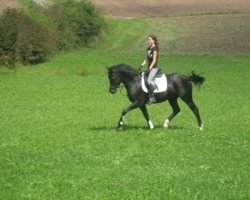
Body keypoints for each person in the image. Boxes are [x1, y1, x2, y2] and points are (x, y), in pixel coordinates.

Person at [139, 35, 159, 103]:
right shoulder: (148, 49)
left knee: (149, 81)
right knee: (142, 78)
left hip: (154, 68)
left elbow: (154, 60)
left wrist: (150, 68)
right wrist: (142, 64)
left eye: (150, 40)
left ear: (154, 40)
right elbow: (147, 58)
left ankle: (152, 97)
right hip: (149, 68)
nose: (149, 41)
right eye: (148, 40)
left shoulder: (155, 49)